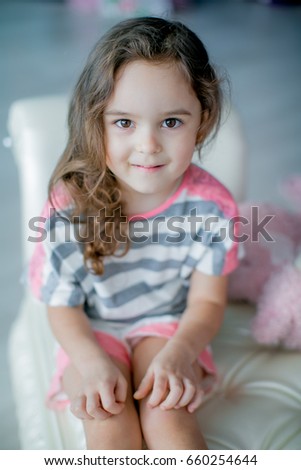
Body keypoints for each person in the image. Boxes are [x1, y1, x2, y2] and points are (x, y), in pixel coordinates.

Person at [28, 16, 239, 450]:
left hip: (170, 328)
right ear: (96, 120)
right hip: (91, 333)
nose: (148, 144)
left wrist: (180, 354)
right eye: (124, 122)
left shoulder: (212, 207)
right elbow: (62, 307)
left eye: (171, 122)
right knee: (109, 427)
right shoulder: (70, 206)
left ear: (203, 117)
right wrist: (89, 363)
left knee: (171, 422)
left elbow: (208, 300)